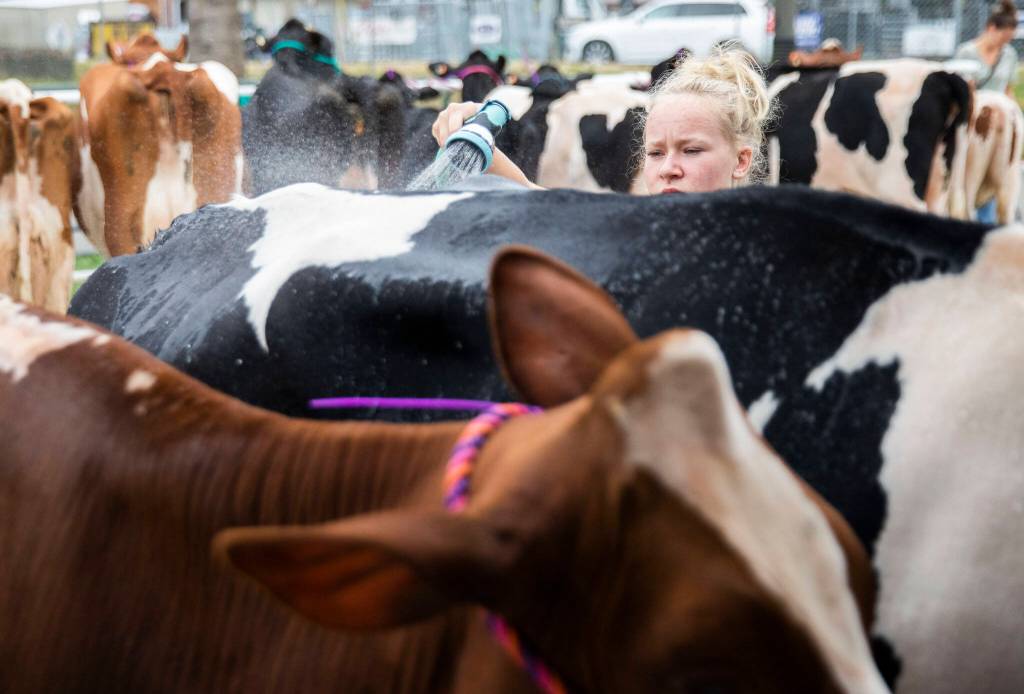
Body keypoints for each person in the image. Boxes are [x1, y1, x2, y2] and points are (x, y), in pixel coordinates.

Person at [430, 47, 772, 194]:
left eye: (691, 150)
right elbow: (533, 194)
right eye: (655, 153)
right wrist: (473, 135)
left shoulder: (775, 247)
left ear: (742, 160)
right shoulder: (632, 226)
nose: (669, 168)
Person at [954, 0, 1020, 223]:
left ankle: (987, 230)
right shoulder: (966, 53)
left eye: (1008, 39)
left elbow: (1008, 90)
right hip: (975, 124)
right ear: (991, 28)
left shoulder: (1009, 55)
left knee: (998, 178)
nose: (1004, 43)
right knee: (969, 179)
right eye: (1003, 37)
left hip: (1001, 125)